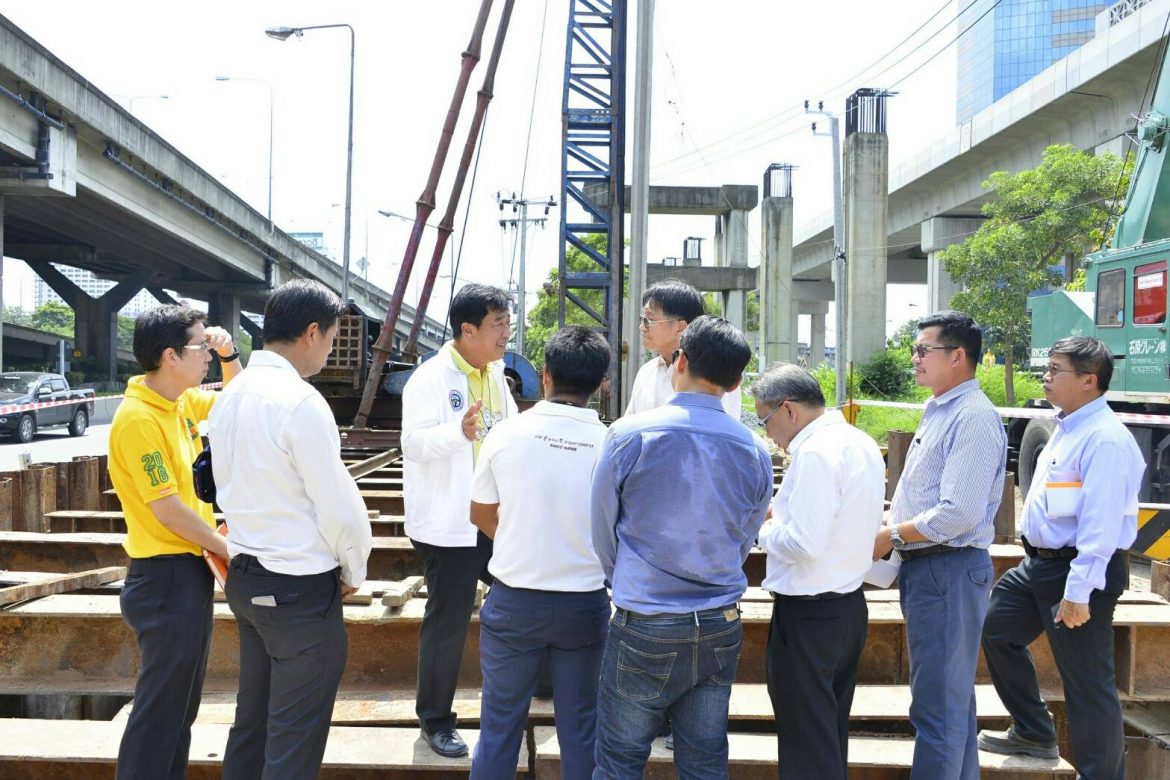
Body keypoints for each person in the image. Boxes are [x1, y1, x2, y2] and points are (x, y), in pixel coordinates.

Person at [591, 315, 772, 776]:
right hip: (718, 622)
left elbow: (601, 527)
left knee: (619, 759)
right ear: (734, 383)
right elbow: (746, 536)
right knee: (704, 759)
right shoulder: (754, 449)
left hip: (646, 620)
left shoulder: (629, 435)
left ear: (681, 361)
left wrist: (623, 580)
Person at [208, 279, 373, 779]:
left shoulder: (229, 397)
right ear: (311, 332)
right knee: (293, 743)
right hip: (298, 593)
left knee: (252, 723)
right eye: (331, 337)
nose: (328, 349)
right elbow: (339, 507)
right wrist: (354, 568)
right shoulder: (300, 403)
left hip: (247, 580)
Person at [979, 337, 1141, 779]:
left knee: (1088, 686)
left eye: (1055, 370)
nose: (1045, 377)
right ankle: (1033, 730)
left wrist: (1079, 592)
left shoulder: (1105, 440)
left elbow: (1101, 525)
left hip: (1079, 569)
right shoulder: (1066, 426)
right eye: (1046, 368)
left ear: (1089, 381)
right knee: (996, 628)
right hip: (1040, 565)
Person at [468, 326, 611, 779]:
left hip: (514, 600)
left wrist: (519, 538)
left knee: (498, 729)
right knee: (581, 727)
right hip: (584, 605)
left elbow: (480, 513)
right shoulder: (611, 444)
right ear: (601, 384)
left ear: (545, 375)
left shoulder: (508, 433)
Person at [872, 310, 1007, 780]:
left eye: (922, 350)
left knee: (938, 711)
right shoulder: (943, 408)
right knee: (949, 707)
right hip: (932, 568)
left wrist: (889, 535)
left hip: (946, 567)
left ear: (957, 356)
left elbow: (958, 514)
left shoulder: (970, 417)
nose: (914, 359)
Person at [109, 304, 241, 779]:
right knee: (159, 712)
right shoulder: (139, 420)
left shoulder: (178, 401)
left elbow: (238, 400)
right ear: (170, 355)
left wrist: (230, 355)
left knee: (180, 709)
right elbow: (166, 509)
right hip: (164, 577)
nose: (206, 353)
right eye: (200, 346)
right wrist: (226, 548)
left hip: (187, 572)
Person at [401, 283, 518, 758]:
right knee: (447, 621)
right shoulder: (429, 379)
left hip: (490, 515)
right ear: (467, 330)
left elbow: (507, 432)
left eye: (508, 324)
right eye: (498, 326)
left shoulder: (495, 373)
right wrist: (458, 432)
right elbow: (413, 445)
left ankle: (540, 685)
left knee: (526, 590)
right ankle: (435, 719)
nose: (506, 334)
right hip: (449, 523)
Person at [752, 363, 884, 779]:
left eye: (764, 420)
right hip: (846, 606)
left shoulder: (814, 453)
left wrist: (762, 530)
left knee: (806, 739)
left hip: (809, 613)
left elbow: (802, 543)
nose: (767, 434)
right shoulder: (857, 440)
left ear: (788, 409)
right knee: (826, 732)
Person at [627, 279, 742, 419]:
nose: (642, 327)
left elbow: (721, 433)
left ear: (680, 327)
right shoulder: (646, 372)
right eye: (642, 319)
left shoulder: (714, 376)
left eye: (649, 320)